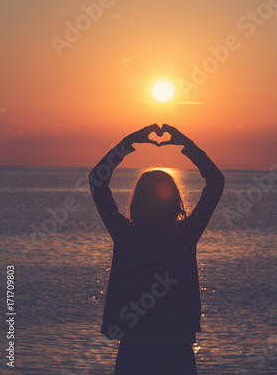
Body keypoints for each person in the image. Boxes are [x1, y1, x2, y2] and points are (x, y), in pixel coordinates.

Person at [89, 124, 225, 375]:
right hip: (177, 350)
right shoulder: (184, 236)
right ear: (175, 202)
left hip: (133, 348)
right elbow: (216, 182)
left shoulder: (126, 235)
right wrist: (187, 145)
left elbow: (97, 181)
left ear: (137, 202)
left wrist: (127, 143)